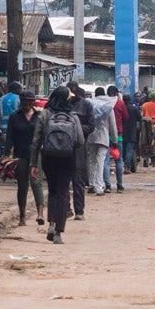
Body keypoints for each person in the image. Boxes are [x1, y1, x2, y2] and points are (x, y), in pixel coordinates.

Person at [30, 86, 85, 244]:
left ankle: (51, 224)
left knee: (53, 190)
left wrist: (34, 163)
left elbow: (35, 141)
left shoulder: (45, 115)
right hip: (68, 159)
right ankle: (59, 233)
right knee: (63, 192)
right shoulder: (73, 117)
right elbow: (80, 141)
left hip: (49, 158)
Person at [6, 90, 46, 226]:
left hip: (36, 155)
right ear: (21, 102)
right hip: (20, 156)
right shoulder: (14, 117)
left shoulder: (39, 116)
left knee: (36, 183)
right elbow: (9, 138)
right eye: (24, 101)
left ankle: (40, 214)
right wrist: (6, 155)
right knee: (22, 186)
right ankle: (22, 216)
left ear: (32, 102)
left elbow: (44, 135)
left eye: (29, 101)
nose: (26, 104)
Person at [65, 81, 95, 220]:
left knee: (78, 180)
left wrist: (77, 130)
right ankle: (66, 209)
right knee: (63, 180)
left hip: (79, 146)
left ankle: (79, 211)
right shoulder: (62, 104)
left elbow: (91, 125)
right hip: (62, 146)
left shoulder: (86, 105)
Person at [87, 87, 119, 196]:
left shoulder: (90, 105)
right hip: (103, 137)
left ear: (95, 94)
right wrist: (115, 140)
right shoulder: (108, 107)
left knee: (92, 160)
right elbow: (113, 125)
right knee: (100, 161)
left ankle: (91, 184)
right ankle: (99, 187)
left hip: (91, 136)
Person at [106, 85, 128, 191]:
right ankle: (119, 185)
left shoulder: (104, 103)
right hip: (118, 135)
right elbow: (126, 117)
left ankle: (107, 186)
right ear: (116, 93)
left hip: (105, 135)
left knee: (105, 161)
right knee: (118, 160)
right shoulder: (120, 103)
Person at [119, 89, 141, 174]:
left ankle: (123, 164)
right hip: (132, 132)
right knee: (129, 150)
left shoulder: (120, 108)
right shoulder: (134, 109)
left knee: (123, 150)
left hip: (121, 131)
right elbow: (140, 118)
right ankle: (127, 166)